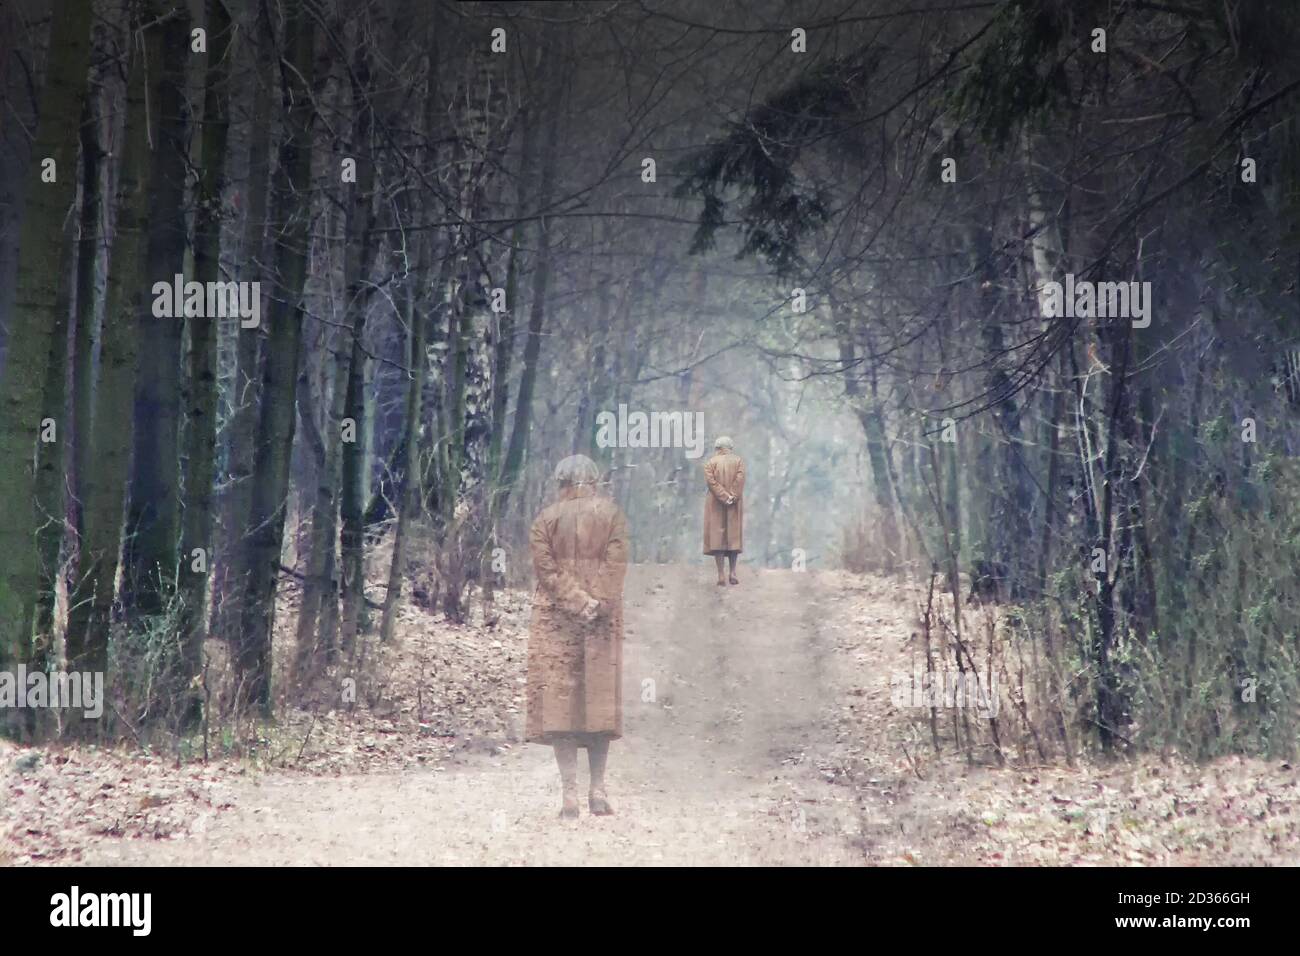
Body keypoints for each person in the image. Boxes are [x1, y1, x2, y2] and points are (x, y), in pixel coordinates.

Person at [526, 454, 629, 819]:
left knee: (560, 705)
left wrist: (576, 600)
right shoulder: (613, 516)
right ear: (594, 481)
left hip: (557, 619)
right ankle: (597, 789)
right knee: (598, 701)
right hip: (601, 620)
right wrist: (597, 602)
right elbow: (616, 565)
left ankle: (569, 794)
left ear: (561, 482)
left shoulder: (544, 520)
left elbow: (546, 570)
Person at [703, 435, 745, 585]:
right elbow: (740, 480)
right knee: (733, 537)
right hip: (734, 503)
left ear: (718, 448)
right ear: (730, 448)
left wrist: (723, 496)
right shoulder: (738, 461)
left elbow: (711, 482)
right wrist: (732, 496)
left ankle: (721, 574)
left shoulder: (710, 463)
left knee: (717, 538)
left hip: (715, 503)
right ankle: (732, 572)